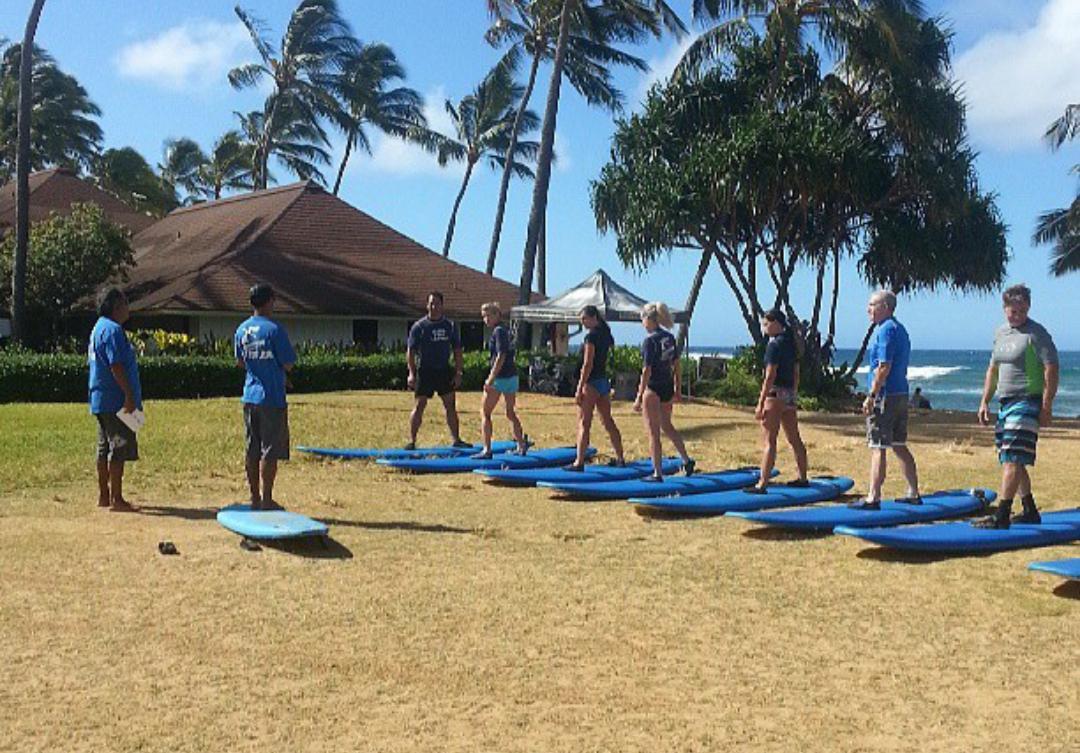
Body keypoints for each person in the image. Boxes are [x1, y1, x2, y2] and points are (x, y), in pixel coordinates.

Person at [975, 284, 1058, 528]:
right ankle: (1030, 509)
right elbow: (993, 369)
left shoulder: (1036, 333)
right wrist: (984, 401)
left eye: (1022, 311)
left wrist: (1047, 404)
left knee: (1012, 457)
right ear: (1005, 309)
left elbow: (1051, 368)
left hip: (1027, 400)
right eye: (1013, 311)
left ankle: (1002, 515)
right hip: (1005, 401)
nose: (1018, 316)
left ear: (1028, 307)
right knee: (1010, 457)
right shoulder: (1001, 333)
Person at [850, 290, 921, 510]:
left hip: (885, 396)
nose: (868, 309)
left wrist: (871, 395)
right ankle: (913, 492)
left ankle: (874, 496)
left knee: (878, 445)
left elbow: (884, 366)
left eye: (872, 305)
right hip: (900, 392)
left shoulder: (885, 331)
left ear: (886, 307)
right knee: (899, 444)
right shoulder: (900, 329)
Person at [235, 284, 296, 511]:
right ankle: (267, 498)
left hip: (249, 395)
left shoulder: (241, 330)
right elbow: (288, 363)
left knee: (252, 447)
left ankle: (254, 497)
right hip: (271, 397)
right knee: (270, 449)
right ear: (269, 301)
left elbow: (240, 361)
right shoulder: (274, 330)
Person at [88, 287, 142, 512]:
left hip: (100, 397)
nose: (128, 308)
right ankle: (116, 499)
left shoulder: (97, 328)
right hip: (115, 398)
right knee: (118, 446)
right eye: (125, 303)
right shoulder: (113, 330)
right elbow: (116, 365)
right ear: (116, 306)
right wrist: (128, 395)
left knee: (104, 446)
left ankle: (104, 495)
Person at [746, 309, 808, 493]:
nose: (764, 327)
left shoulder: (774, 345)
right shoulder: (791, 344)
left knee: (769, 440)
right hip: (788, 394)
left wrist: (760, 401)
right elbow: (796, 373)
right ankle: (802, 477)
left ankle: (762, 483)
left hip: (775, 394)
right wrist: (793, 394)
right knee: (794, 438)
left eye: (766, 324)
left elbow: (770, 375)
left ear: (776, 323)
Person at [634, 302, 695, 481]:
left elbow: (646, 371)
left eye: (643, 319)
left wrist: (638, 396)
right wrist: (677, 388)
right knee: (667, 426)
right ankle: (686, 459)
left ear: (649, 320)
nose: (642, 324)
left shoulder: (650, 341)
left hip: (653, 388)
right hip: (667, 386)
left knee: (653, 432)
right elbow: (676, 364)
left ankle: (657, 472)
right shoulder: (669, 337)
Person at [406, 292, 470, 450]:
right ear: (427, 305)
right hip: (425, 371)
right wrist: (412, 373)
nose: (434, 307)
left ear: (442, 305)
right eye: (431, 303)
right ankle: (412, 441)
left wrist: (458, 372)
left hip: (443, 371)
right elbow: (411, 352)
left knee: (450, 405)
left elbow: (457, 351)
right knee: (420, 405)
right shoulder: (419, 327)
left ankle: (456, 439)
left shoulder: (450, 326)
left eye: (437, 303)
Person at [566, 305, 626, 471]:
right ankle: (620, 457)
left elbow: (587, 363)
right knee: (607, 421)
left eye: (584, 319)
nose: (582, 322)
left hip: (591, 382)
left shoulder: (591, 337)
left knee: (584, 423)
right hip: (602, 381)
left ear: (594, 318)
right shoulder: (606, 335)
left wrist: (579, 387)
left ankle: (579, 462)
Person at [474, 303, 528, 458]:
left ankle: (487, 449)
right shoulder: (505, 330)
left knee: (485, 412)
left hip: (500, 378)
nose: (486, 319)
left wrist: (490, 379)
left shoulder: (498, 331)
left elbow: (501, 355)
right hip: (512, 376)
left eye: (488, 315)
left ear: (497, 314)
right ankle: (521, 445)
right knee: (510, 413)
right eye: (484, 316)